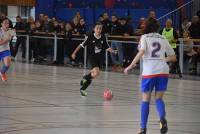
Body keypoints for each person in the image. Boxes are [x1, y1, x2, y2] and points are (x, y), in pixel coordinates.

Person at [124, 18, 176, 134]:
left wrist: (131, 65)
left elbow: (141, 51)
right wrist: (163, 59)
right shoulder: (163, 38)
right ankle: (162, 118)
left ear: (147, 26)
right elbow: (173, 57)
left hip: (149, 71)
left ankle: (143, 129)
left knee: (145, 100)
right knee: (158, 99)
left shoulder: (144, 37)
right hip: (163, 71)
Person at [71, 22, 114, 96]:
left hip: (99, 58)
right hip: (92, 57)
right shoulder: (90, 36)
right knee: (96, 73)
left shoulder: (103, 37)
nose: (99, 30)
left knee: (94, 74)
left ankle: (83, 87)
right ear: (94, 29)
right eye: (97, 28)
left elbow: (107, 46)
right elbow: (81, 45)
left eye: (100, 28)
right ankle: (85, 80)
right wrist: (74, 53)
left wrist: (112, 50)